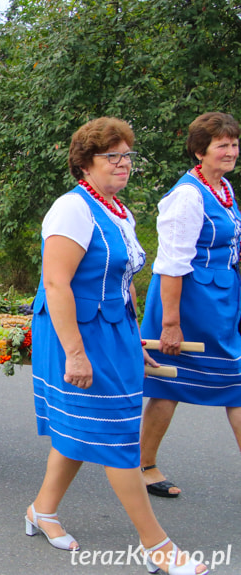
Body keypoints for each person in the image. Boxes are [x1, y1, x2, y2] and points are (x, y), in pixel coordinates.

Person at [27, 117, 207, 574]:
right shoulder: (71, 210)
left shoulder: (116, 210)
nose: (123, 163)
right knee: (116, 437)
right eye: (113, 156)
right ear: (86, 164)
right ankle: (157, 546)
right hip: (77, 332)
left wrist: (132, 338)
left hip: (112, 331)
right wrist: (74, 352)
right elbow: (56, 283)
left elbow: (123, 280)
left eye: (127, 155)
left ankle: (41, 510)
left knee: (89, 427)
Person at [139, 112, 241, 498]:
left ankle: (143, 462)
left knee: (227, 384)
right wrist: (170, 324)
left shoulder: (223, 189)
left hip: (221, 301)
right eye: (222, 145)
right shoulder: (187, 196)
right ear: (201, 151)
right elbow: (171, 264)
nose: (231, 151)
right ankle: (144, 465)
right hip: (187, 303)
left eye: (234, 144)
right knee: (172, 383)